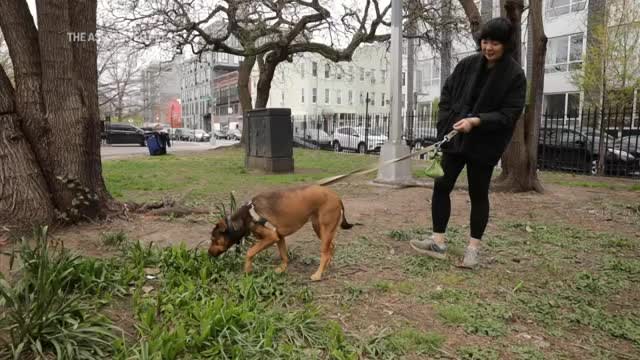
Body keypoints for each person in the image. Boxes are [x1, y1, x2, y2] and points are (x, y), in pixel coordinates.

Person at [410, 17, 526, 268]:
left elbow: (510, 114)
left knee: (478, 194)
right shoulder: (467, 64)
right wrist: (446, 123)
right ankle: (437, 241)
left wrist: (477, 121)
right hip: (455, 139)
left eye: (495, 42)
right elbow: (448, 94)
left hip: (484, 145)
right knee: (441, 187)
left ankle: (473, 249)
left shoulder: (515, 75)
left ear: (506, 45)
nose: (488, 47)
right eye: (485, 41)